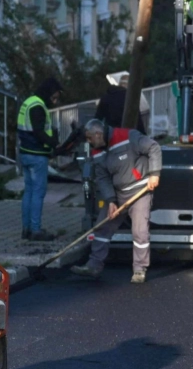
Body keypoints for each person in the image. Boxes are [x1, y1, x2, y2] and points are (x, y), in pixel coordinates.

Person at [69, 119, 162, 284]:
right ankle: (94, 265)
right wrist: (111, 201)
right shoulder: (97, 151)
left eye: (90, 138)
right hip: (118, 194)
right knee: (102, 227)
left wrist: (154, 173)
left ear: (98, 134)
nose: (89, 143)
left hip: (140, 191)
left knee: (139, 231)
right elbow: (103, 178)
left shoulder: (128, 136)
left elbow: (153, 147)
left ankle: (139, 269)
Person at [17, 77, 62, 241]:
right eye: (55, 96)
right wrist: (52, 143)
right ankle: (35, 230)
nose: (56, 99)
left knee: (28, 192)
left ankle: (26, 229)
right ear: (49, 92)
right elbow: (39, 132)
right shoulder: (38, 106)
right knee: (38, 192)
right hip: (36, 155)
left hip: (25, 154)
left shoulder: (28, 102)